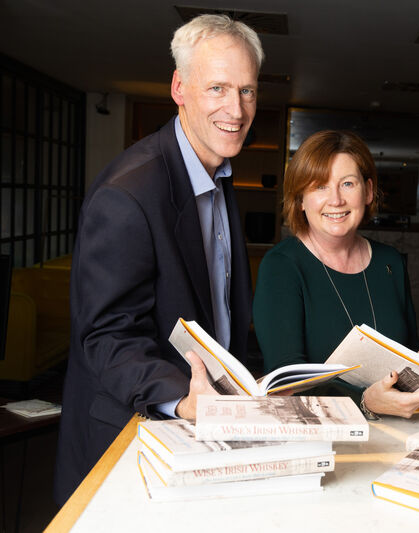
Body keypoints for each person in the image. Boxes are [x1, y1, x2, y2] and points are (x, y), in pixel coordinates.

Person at [54, 14, 263, 504]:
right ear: (179, 88)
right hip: (131, 437)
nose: (235, 109)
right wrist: (185, 398)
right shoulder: (127, 193)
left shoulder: (220, 175)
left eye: (247, 91)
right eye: (217, 88)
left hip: (201, 432)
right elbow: (106, 337)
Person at [253, 130, 419, 419]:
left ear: (368, 191)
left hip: (396, 428)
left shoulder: (390, 262)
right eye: (320, 186)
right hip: (320, 432)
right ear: (300, 199)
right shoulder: (281, 266)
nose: (336, 200)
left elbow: (406, 353)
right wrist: (366, 402)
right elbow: (285, 384)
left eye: (347, 184)